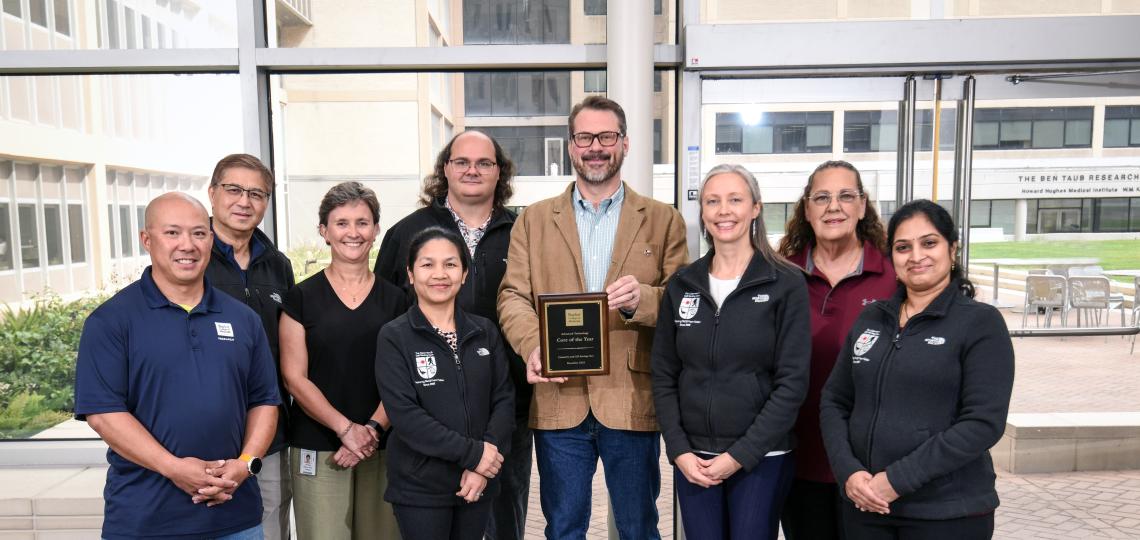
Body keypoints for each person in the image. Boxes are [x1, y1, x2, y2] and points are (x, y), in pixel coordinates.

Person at [497, 96, 689, 539]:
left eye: (606, 137)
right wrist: (532, 345)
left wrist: (643, 299)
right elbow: (512, 296)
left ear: (624, 143)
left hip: (631, 396)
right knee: (563, 528)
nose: (595, 147)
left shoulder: (663, 221)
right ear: (570, 145)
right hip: (558, 399)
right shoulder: (534, 221)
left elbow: (685, 305)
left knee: (638, 527)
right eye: (585, 137)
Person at [74, 192, 280, 539]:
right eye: (172, 233)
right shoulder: (111, 321)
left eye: (199, 233)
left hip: (237, 517)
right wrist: (174, 469)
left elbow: (264, 401)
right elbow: (104, 414)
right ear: (147, 239)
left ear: (211, 240)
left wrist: (245, 465)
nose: (187, 245)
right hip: (146, 520)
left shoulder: (243, 319)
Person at [820, 199, 1015, 540]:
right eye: (903, 247)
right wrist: (849, 472)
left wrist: (895, 481)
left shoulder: (981, 323)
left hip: (947, 512)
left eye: (929, 243)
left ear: (952, 249)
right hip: (867, 506)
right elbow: (835, 400)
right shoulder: (872, 319)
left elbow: (983, 423)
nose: (916, 256)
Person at [375, 130, 531, 540]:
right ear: (445, 169)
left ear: (501, 173)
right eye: (461, 162)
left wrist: (486, 450)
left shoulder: (524, 232)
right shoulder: (408, 232)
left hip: (506, 414)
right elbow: (389, 315)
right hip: (428, 417)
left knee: (506, 522)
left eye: (484, 163)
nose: (472, 170)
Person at [652, 164, 810, 539]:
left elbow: (792, 384)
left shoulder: (785, 283)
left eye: (735, 200)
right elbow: (663, 374)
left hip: (761, 458)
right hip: (694, 458)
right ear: (703, 212)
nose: (724, 211)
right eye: (713, 201)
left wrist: (739, 455)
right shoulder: (683, 284)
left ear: (755, 208)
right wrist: (678, 450)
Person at [279, 181, 408, 539]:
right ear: (324, 231)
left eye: (362, 222)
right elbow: (294, 378)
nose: (353, 232)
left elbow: (406, 378)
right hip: (318, 446)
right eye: (341, 223)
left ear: (376, 229)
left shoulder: (398, 300)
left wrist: (371, 430)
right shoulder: (300, 298)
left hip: (381, 445)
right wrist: (346, 430)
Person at [777, 160, 898, 540]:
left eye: (846, 196)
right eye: (822, 197)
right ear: (807, 209)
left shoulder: (895, 278)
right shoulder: (782, 276)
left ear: (862, 206)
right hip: (799, 459)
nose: (834, 206)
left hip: (872, 467)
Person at [375, 226, 516, 540]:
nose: (440, 274)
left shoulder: (485, 331)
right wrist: (474, 455)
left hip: (477, 482)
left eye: (450, 264)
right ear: (410, 274)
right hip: (420, 487)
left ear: (464, 274)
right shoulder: (394, 336)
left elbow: (504, 399)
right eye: (428, 265)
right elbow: (406, 417)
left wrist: (482, 465)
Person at [204, 153, 296, 540]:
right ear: (212, 193)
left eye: (257, 193)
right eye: (234, 189)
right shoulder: (191, 259)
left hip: (269, 431)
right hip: (206, 432)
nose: (245, 201)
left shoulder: (278, 265)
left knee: (271, 519)